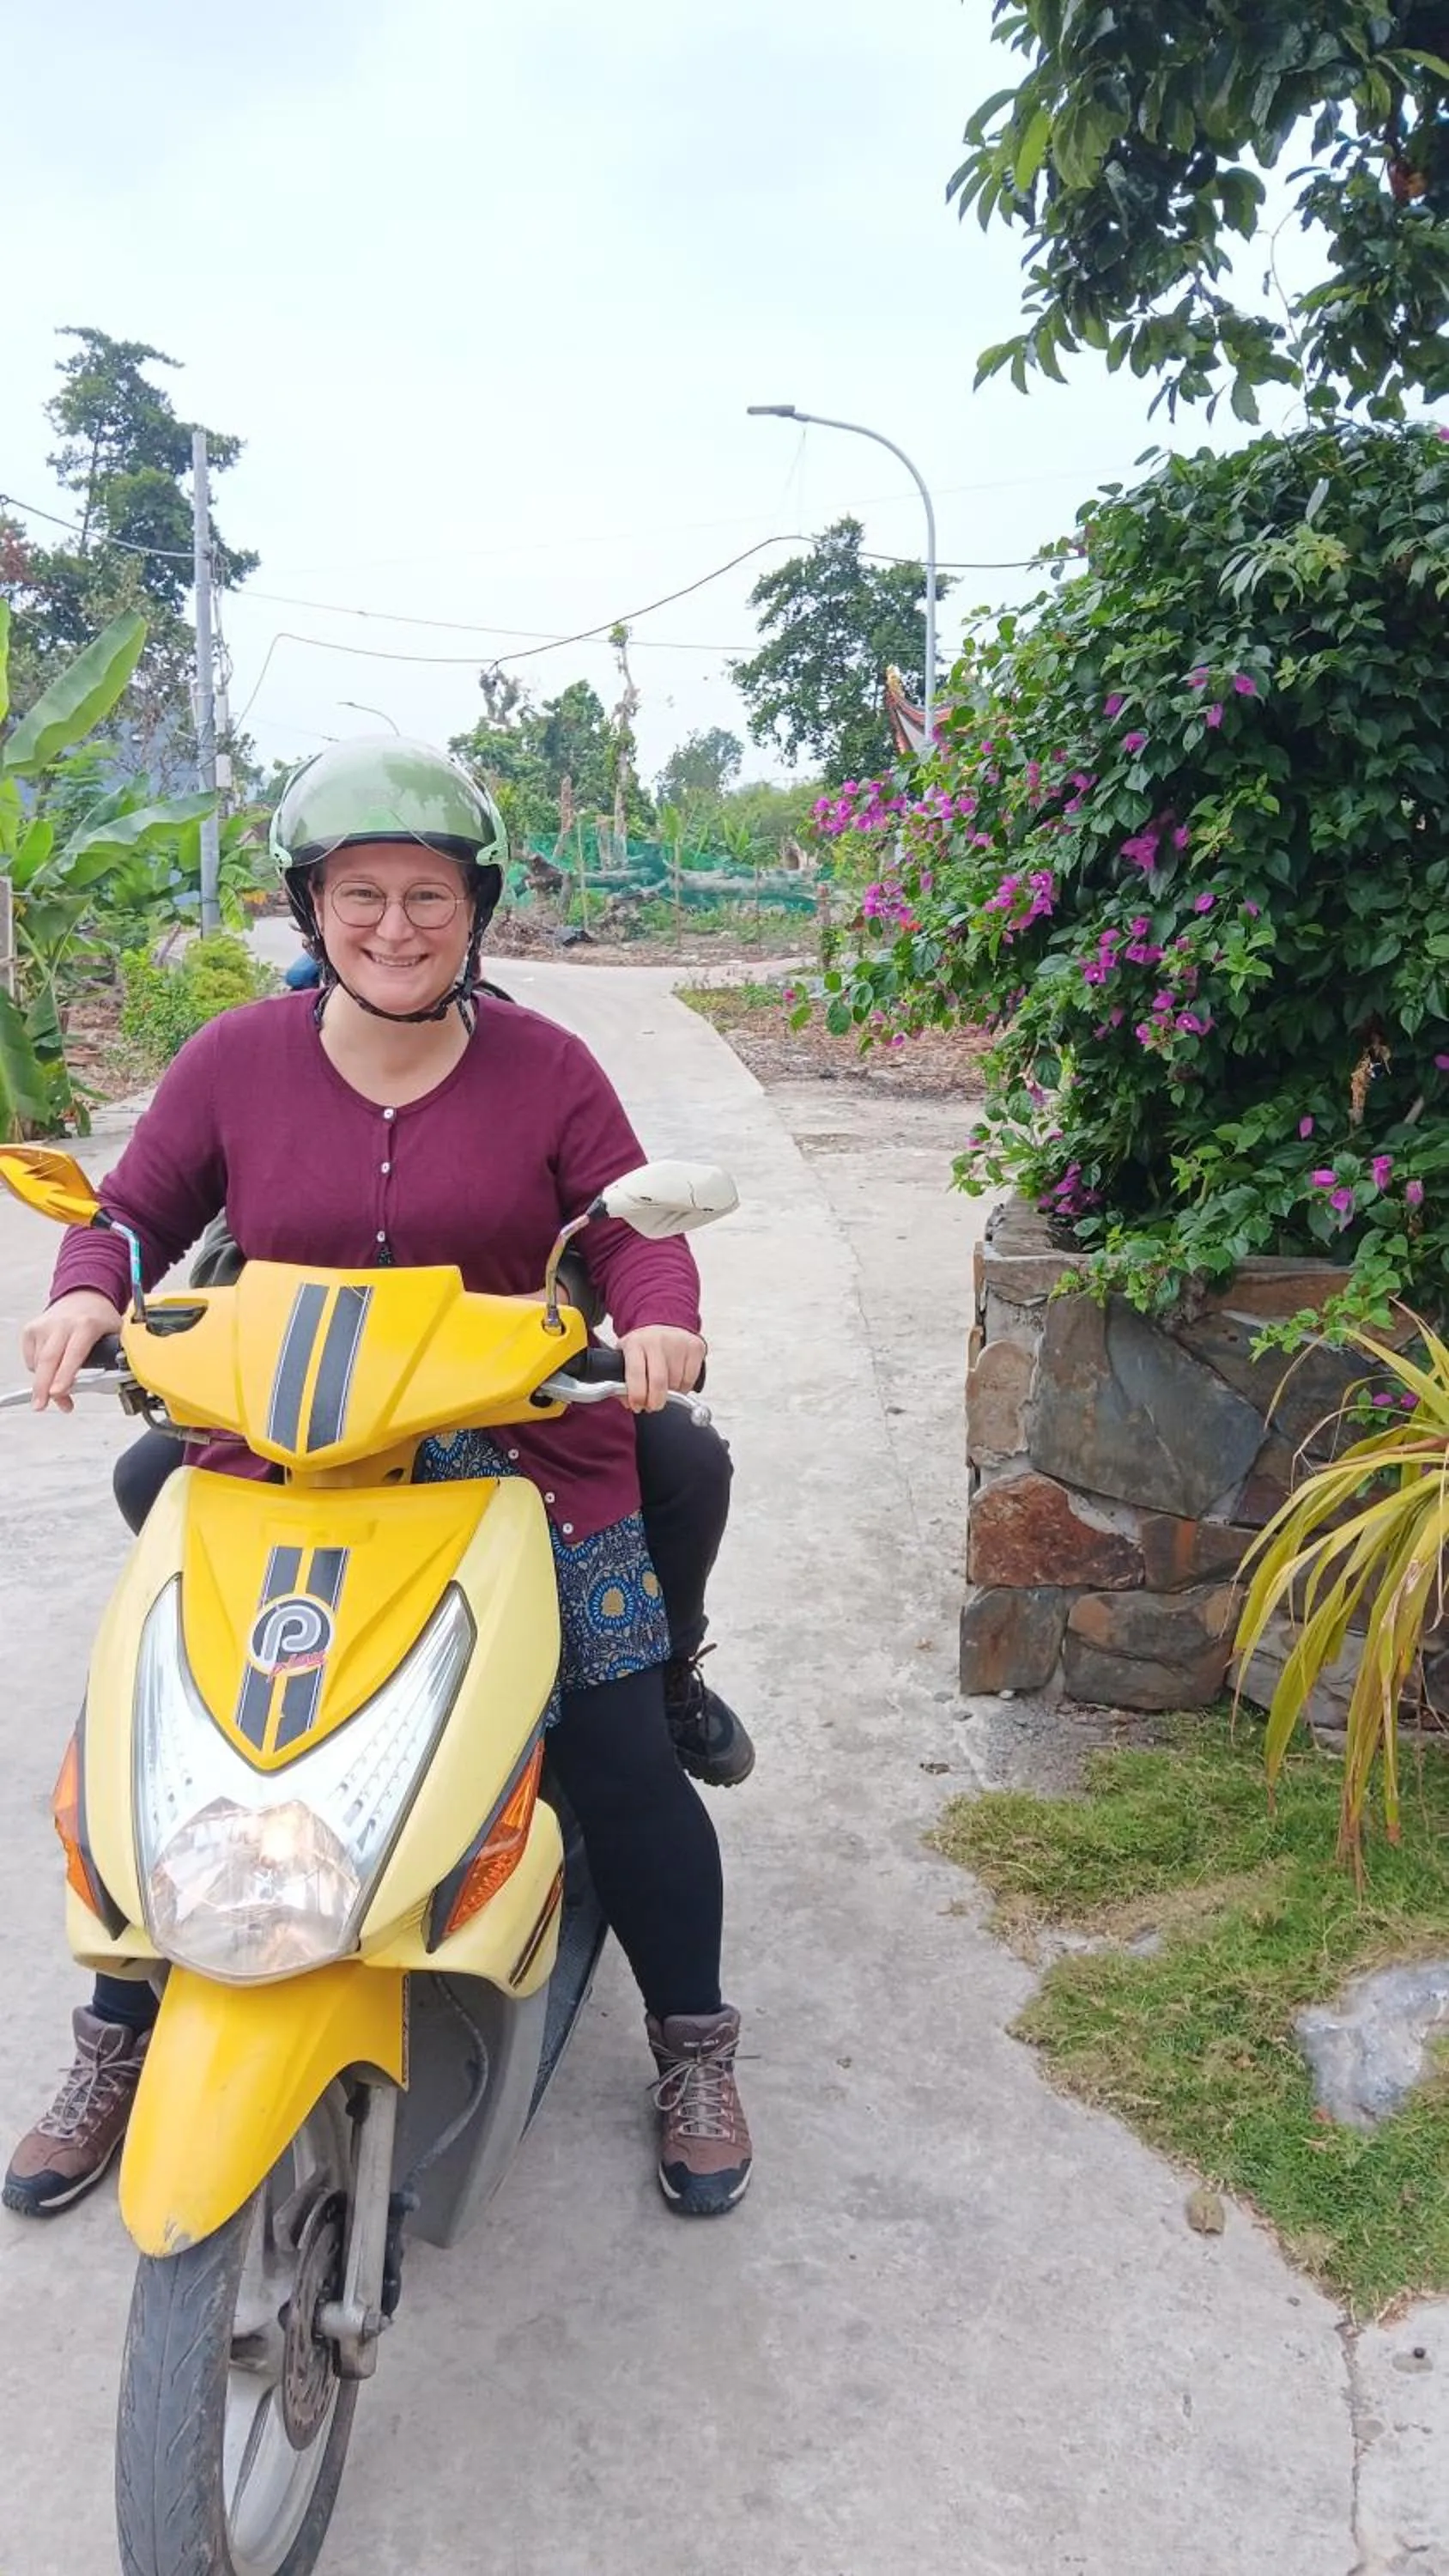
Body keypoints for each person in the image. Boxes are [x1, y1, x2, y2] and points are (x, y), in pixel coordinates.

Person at [4, 739, 754, 2224]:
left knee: (614, 1748)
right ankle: (121, 2036)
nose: (396, 927)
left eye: (428, 895)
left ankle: (692, 2042)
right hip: (286, 1455)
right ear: (311, 907)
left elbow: (626, 1228)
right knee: (172, 1738)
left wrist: (658, 1313)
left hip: (527, 1457)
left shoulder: (548, 1066)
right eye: (361, 895)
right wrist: (90, 1292)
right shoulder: (234, 1059)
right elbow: (137, 1209)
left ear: (476, 910)